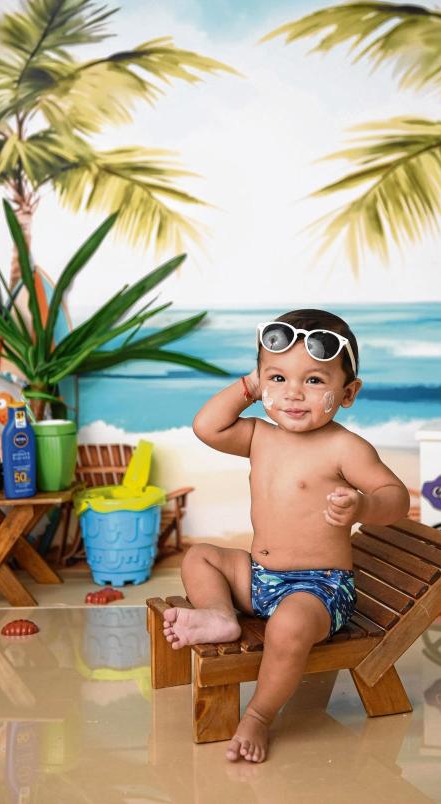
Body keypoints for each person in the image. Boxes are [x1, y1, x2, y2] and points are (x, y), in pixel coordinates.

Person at [162, 309, 410, 763]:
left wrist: (363, 506)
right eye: (278, 378)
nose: (293, 393)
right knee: (200, 557)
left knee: (289, 626)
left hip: (320, 589)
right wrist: (250, 385)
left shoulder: (345, 448)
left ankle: (259, 715)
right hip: (260, 576)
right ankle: (220, 615)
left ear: (348, 393)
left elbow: (395, 498)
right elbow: (206, 426)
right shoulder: (260, 436)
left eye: (314, 381)